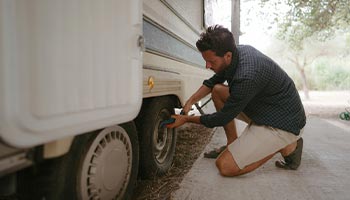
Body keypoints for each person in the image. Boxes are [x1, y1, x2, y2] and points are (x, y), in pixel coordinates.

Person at [167, 25, 306, 177]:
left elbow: (222, 117)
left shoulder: (247, 76)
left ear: (227, 56)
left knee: (225, 167)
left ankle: (285, 144)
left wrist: (186, 119)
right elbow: (214, 81)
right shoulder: (235, 53)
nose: (207, 66)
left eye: (211, 61)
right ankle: (232, 144)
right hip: (266, 107)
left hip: (283, 122)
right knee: (219, 90)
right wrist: (190, 102)